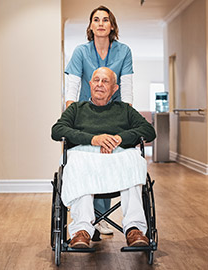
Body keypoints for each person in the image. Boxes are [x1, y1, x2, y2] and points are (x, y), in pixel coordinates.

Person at [51, 67, 156, 248]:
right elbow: (57, 130)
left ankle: (134, 229)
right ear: (90, 84)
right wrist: (93, 139)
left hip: (118, 162)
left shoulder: (124, 110)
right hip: (85, 161)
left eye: (105, 81)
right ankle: (81, 231)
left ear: (114, 88)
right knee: (75, 162)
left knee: (134, 159)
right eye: (96, 80)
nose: (99, 84)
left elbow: (148, 131)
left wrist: (120, 138)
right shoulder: (76, 109)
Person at [65, 5, 135, 234]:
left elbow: (127, 87)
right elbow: (73, 85)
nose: (101, 23)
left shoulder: (123, 51)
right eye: (96, 19)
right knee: (85, 158)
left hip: (112, 111)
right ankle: (85, 219)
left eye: (106, 19)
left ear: (112, 26)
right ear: (91, 26)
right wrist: (71, 115)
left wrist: (126, 117)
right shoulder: (81, 52)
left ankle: (101, 217)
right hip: (87, 112)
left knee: (109, 157)